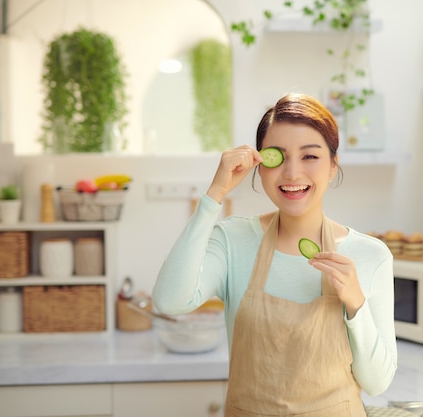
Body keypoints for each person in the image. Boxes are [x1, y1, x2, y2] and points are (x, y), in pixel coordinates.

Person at [153, 93, 397, 416]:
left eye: (310, 156)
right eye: (277, 157)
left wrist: (355, 304)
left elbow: (377, 383)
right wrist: (215, 194)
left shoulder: (370, 256)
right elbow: (169, 300)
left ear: (333, 166)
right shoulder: (233, 240)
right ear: (260, 165)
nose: (292, 173)